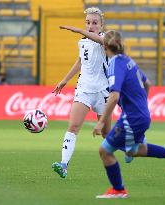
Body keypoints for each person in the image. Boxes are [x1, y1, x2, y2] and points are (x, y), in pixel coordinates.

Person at [93, 30, 165, 199]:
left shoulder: (114, 63)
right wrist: (139, 104)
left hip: (132, 117)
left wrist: (101, 122)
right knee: (134, 151)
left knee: (105, 150)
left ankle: (118, 190)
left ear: (104, 46)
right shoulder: (129, 61)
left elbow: (114, 95)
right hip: (142, 114)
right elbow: (147, 83)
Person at [51, 7, 111, 179]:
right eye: (87, 23)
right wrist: (65, 80)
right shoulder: (82, 42)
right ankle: (63, 165)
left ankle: (128, 151)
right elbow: (79, 62)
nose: (90, 26)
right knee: (73, 126)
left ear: (101, 25)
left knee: (107, 134)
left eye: (94, 23)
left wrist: (78, 30)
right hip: (84, 89)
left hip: (102, 92)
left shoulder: (105, 39)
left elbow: (100, 41)